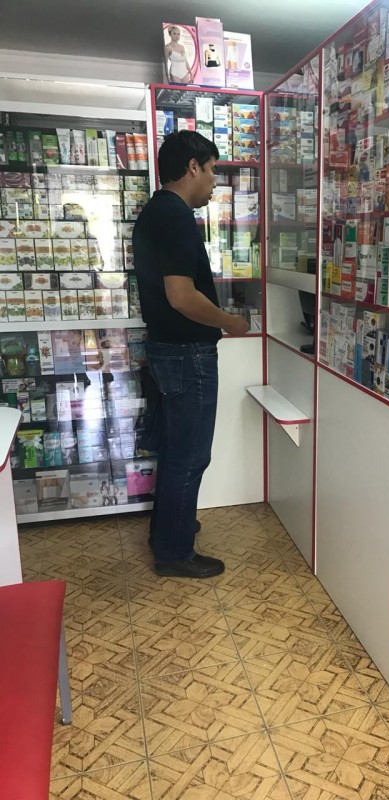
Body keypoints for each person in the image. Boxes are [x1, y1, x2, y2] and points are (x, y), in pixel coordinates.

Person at [133, 131, 249, 579]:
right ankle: (174, 552)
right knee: (190, 455)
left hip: (168, 350)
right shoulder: (176, 216)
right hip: (187, 354)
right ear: (193, 167)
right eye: (213, 169)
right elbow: (181, 296)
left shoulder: (155, 211)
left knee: (176, 450)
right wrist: (229, 321)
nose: (215, 181)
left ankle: (168, 530)